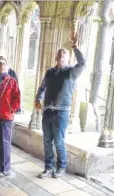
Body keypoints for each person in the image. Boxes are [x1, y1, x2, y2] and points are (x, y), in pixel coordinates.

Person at [35, 33, 85, 179]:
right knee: (47, 141)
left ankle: (61, 166)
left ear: (68, 58)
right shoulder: (50, 72)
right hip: (48, 111)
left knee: (59, 141)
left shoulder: (71, 72)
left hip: (61, 112)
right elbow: (43, 86)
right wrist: (38, 99)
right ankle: (48, 167)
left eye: (64, 53)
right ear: (56, 57)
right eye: (59, 53)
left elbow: (82, 63)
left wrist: (75, 46)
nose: (61, 55)